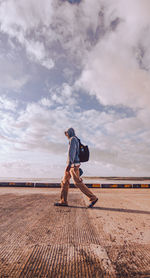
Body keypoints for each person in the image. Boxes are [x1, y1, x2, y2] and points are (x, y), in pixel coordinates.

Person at [54, 128, 98, 208]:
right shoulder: (75, 139)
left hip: (73, 165)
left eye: (66, 133)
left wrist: (69, 164)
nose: (66, 135)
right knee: (64, 181)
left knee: (77, 182)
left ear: (70, 132)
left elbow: (72, 152)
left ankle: (93, 198)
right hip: (73, 164)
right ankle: (63, 201)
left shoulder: (73, 139)